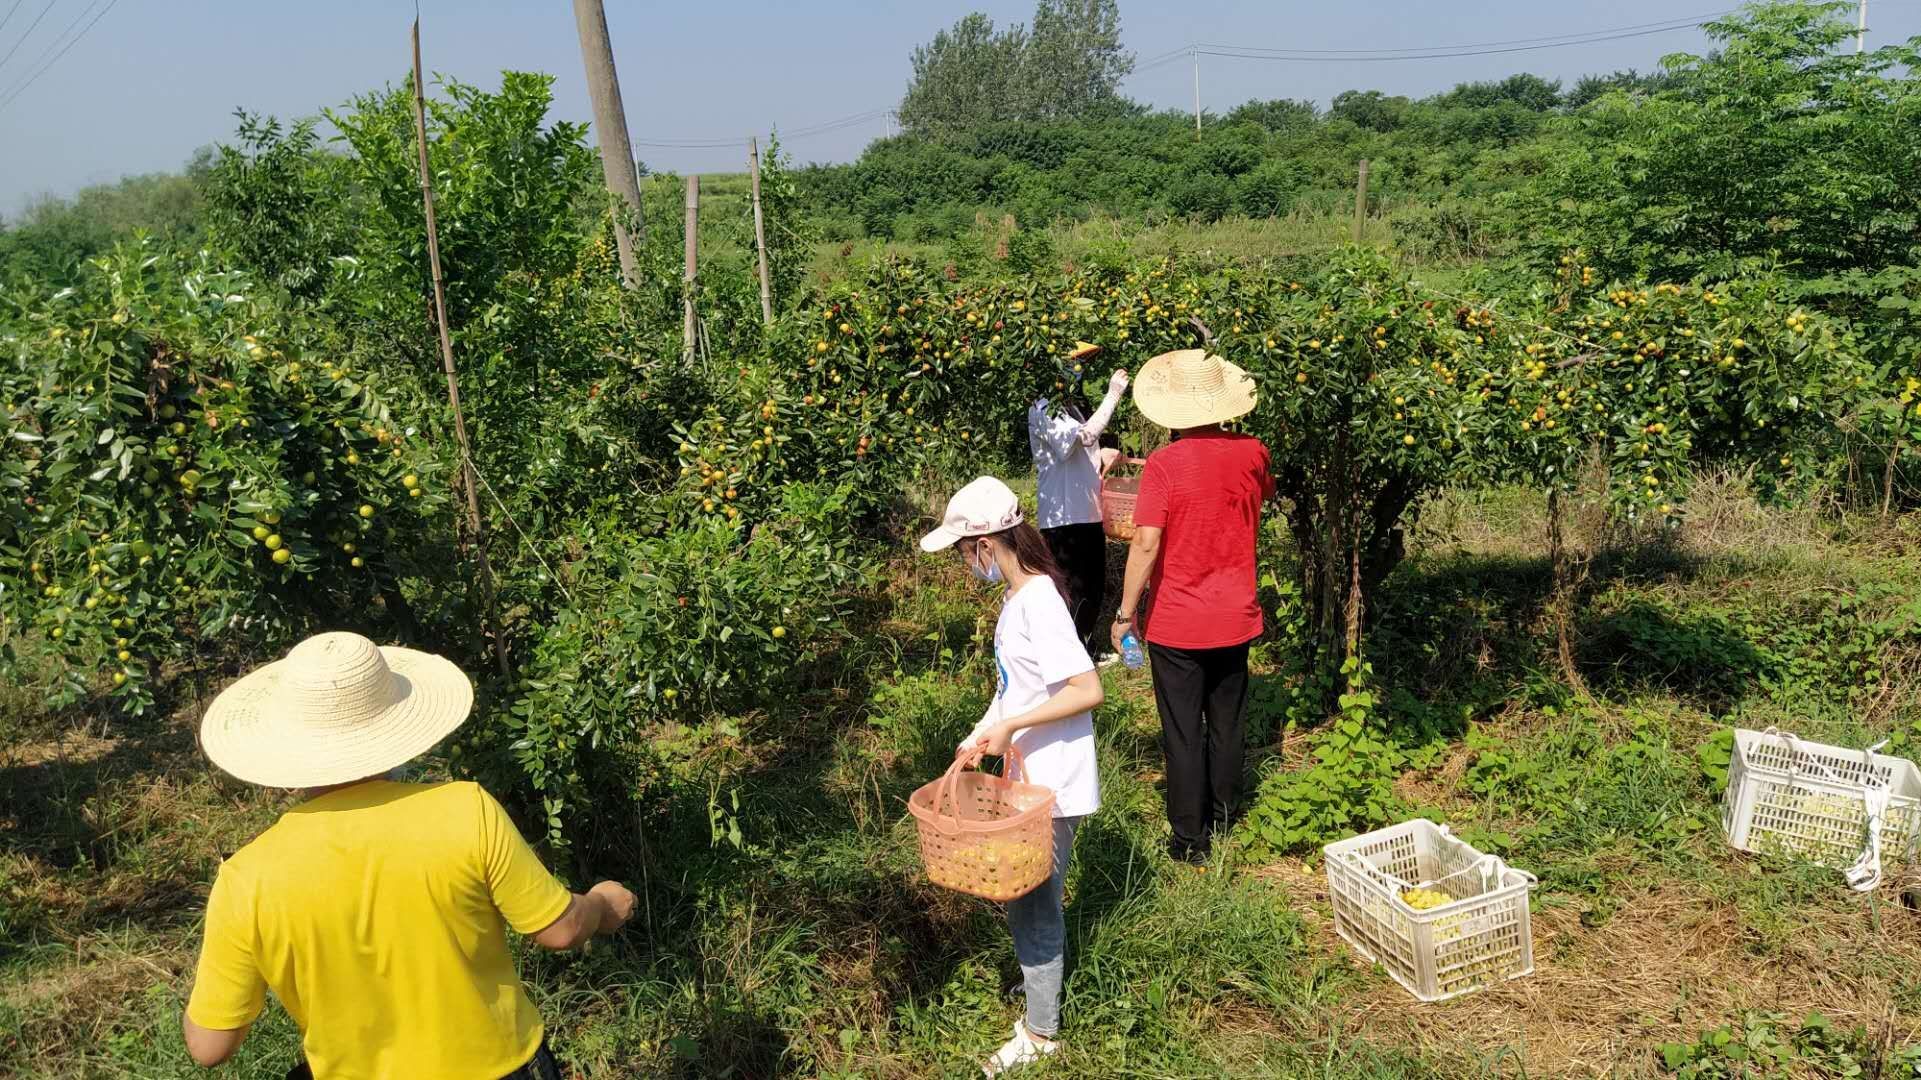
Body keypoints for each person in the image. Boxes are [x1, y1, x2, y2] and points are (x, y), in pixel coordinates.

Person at [180, 631, 637, 1079]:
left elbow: (209, 1046)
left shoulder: (246, 878)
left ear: (286, 746)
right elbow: (560, 929)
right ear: (394, 721)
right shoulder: (465, 810)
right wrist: (601, 903)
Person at [921, 476, 1105, 1077]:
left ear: (985, 544)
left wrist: (1013, 727)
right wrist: (984, 730)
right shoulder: (1018, 599)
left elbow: (1088, 689)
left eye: (961, 552)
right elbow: (1014, 690)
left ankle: (1042, 1033)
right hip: (1031, 779)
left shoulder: (1039, 604)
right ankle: (1038, 1007)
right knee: (1027, 900)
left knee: (1035, 905)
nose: (962, 564)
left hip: (1052, 784)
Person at [1110, 349, 1272, 864]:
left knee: (1182, 731)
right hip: (1235, 613)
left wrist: (1124, 614)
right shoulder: (1253, 452)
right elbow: (1253, 503)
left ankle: (1189, 839)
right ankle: (1225, 818)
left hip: (1179, 621)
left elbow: (1146, 543)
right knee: (1228, 721)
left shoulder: (1164, 464)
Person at [1027, 342, 1129, 663]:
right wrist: (1112, 395)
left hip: (1088, 512)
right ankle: (1067, 657)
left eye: (1081, 362)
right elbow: (1076, 441)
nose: (1078, 368)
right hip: (1063, 516)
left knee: (1092, 586)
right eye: (1073, 362)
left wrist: (1103, 458)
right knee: (1071, 587)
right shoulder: (1044, 407)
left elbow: (1083, 452)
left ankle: (1085, 650)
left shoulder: (1072, 407)